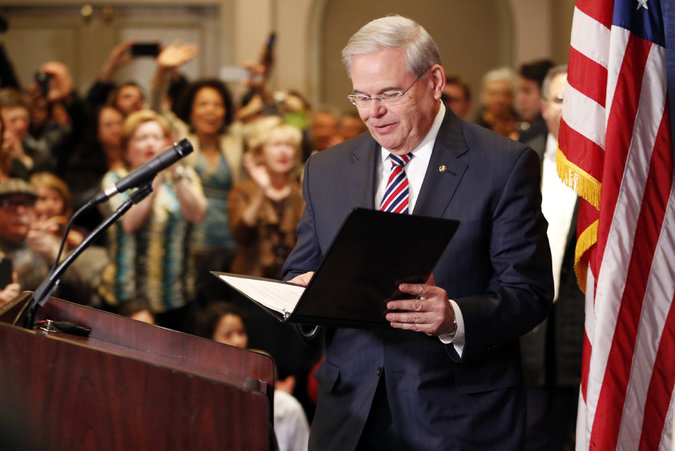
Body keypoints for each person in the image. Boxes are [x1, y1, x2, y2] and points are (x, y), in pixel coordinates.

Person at [282, 15, 552, 450]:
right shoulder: (325, 169)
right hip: (350, 417)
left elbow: (530, 292)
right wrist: (305, 298)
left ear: (435, 81)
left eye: (389, 94)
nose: (373, 112)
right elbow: (299, 272)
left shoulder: (503, 165)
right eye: (361, 97)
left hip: (460, 418)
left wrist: (454, 318)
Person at [520, 65, 583, 451]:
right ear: (544, 106)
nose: (571, 109)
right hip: (531, 340)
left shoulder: (617, 167)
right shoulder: (517, 161)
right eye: (561, 99)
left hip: (587, 339)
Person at [98, 109, 206, 331]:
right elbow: (130, 223)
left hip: (176, 296)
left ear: (167, 143)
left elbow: (198, 214)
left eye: (157, 138)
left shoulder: (185, 175)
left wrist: (174, 173)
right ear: (127, 148)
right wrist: (155, 175)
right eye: (142, 138)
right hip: (128, 296)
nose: (150, 144)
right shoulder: (117, 179)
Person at [198, 301, 310, 451]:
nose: (237, 341)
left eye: (241, 332)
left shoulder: (286, 406)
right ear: (209, 340)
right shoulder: (199, 392)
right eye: (227, 335)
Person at [228, 117, 305, 279]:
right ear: (259, 153)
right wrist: (262, 191)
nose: (283, 152)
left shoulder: (299, 191)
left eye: (289, 145)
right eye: (275, 145)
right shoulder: (243, 190)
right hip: (251, 280)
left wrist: (308, 193)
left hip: (291, 280)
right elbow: (241, 235)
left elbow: (307, 237)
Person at [474, 66, 519, 139]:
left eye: (505, 94)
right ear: (484, 97)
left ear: (512, 97)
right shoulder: (476, 127)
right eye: (493, 94)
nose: (499, 100)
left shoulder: (521, 124)